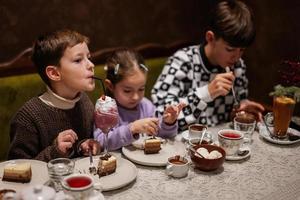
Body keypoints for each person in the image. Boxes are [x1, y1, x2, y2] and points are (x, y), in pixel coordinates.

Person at [151, 0, 265, 131]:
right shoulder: (183, 62)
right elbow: (160, 115)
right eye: (230, 49)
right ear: (210, 38)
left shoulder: (238, 67)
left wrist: (241, 110)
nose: (237, 57)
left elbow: (229, 115)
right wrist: (206, 93)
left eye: (242, 50)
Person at [8, 29, 101, 162]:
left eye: (89, 58)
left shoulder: (84, 101)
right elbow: (17, 168)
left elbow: (76, 151)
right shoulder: (28, 118)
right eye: (78, 60)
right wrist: (54, 151)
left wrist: (83, 146)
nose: (91, 65)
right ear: (54, 74)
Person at [93, 48, 185, 150]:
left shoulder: (146, 105)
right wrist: (132, 128)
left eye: (141, 89)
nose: (136, 97)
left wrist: (168, 123)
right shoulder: (105, 109)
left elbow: (162, 136)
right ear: (110, 86)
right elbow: (100, 142)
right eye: (127, 91)